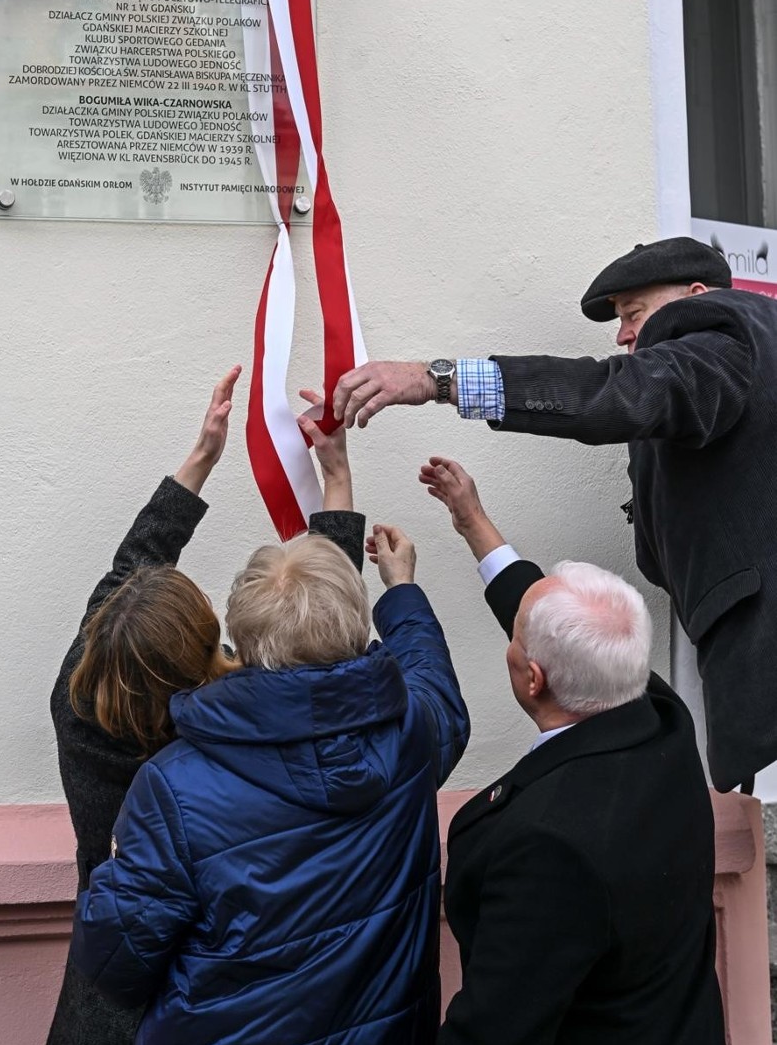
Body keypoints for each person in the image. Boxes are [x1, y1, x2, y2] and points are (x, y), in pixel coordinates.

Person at [333, 234, 777, 793]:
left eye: (634, 312)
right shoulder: (748, 350)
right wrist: (474, 521)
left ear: (695, 294)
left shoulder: (720, 333)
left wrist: (437, 380)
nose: (623, 335)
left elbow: (614, 394)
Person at [36, 368, 378, 1045]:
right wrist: (336, 482)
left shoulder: (77, 707)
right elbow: (324, 664)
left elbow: (126, 576)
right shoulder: (218, 752)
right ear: (204, 651)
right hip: (202, 1009)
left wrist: (201, 458)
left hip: (100, 1001)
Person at [68, 484, 469, 1045]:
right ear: (357, 632)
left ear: (242, 638)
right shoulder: (412, 732)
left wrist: (117, 868)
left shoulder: (173, 788)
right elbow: (433, 680)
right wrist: (403, 591)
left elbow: (114, 964)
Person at [414, 455, 730, 1045]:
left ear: (532, 679)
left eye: (518, 639)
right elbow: (554, 626)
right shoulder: (660, 716)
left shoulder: (549, 847)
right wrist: (472, 519)